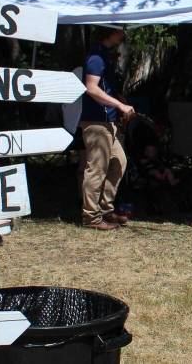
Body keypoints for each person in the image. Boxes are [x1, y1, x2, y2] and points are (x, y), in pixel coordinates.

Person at [79, 28, 136, 231]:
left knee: (119, 162)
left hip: (108, 121)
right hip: (96, 122)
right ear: (110, 32)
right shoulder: (96, 56)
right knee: (97, 169)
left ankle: (105, 208)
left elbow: (105, 88)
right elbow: (91, 88)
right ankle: (91, 217)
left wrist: (119, 101)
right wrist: (120, 106)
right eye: (121, 30)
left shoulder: (105, 55)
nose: (124, 34)